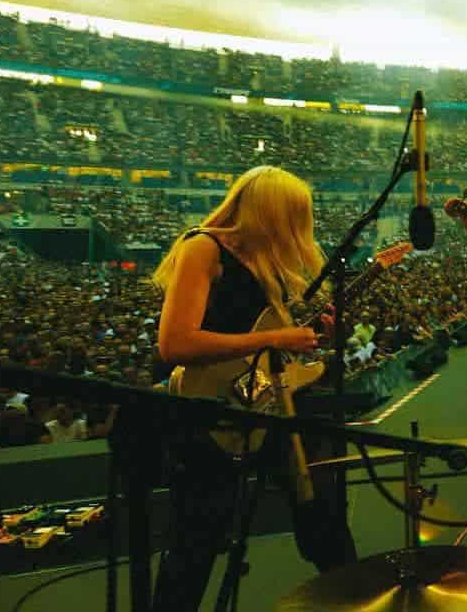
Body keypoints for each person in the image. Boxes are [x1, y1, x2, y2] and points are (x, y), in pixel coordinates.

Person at [149, 166, 356, 612]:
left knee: (324, 519)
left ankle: (353, 600)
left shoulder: (266, 265)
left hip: (273, 405)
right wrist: (274, 339)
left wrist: (311, 337)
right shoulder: (203, 248)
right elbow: (175, 342)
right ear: (270, 214)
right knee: (194, 543)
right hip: (210, 415)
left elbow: (267, 345)